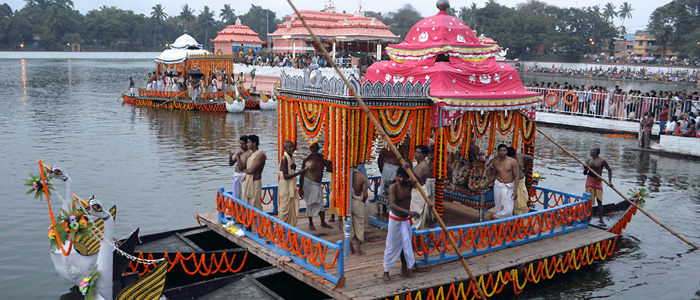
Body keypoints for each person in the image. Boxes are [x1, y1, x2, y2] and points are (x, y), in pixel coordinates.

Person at [382, 167, 419, 284]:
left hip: (406, 220)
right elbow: (392, 205)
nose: (401, 179)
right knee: (391, 245)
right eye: (400, 176)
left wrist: (410, 169)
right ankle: (386, 272)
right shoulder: (394, 187)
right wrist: (409, 213)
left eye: (404, 177)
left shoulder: (409, 184)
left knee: (406, 243)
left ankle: (405, 268)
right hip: (395, 219)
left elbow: (420, 181)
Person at [480, 144, 519, 220]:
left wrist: (515, 190)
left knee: (508, 210)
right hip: (498, 185)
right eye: (501, 150)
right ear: (498, 152)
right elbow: (494, 175)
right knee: (498, 207)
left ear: (506, 151)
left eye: (504, 150)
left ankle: (494, 216)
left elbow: (517, 176)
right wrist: (485, 184)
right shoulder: (496, 162)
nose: (502, 152)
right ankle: (501, 225)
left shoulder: (512, 161)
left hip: (509, 186)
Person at [299, 142, 332, 231]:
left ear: (318, 148)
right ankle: (311, 223)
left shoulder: (322, 158)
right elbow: (302, 174)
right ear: (310, 149)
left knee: (321, 204)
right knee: (310, 204)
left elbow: (330, 169)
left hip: (317, 184)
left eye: (315, 147)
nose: (314, 149)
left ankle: (323, 222)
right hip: (309, 183)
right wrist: (300, 188)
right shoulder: (307, 160)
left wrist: (332, 160)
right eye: (312, 147)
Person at [278, 141, 305, 226]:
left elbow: (291, 167)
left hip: (290, 183)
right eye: (289, 147)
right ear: (285, 149)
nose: (291, 149)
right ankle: (282, 227)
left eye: (292, 147)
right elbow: (285, 176)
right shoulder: (284, 159)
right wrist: (299, 173)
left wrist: (294, 167)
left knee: (291, 206)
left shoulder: (291, 157)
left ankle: (290, 227)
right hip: (285, 184)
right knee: (285, 207)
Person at [584, 147, 612, 224]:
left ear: (596, 152)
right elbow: (584, 173)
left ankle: (601, 219)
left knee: (599, 200)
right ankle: (588, 216)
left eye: (592, 150)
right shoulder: (589, 160)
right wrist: (585, 168)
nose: (590, 152)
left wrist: (610, 182)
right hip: (590, 180)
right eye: (590, 150)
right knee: (588, 200)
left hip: (598, 181)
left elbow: (609, 170)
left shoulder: (602, 161)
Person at [409, 145, 433, 229]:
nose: (416, 154)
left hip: (418, 192)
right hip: (417, 191)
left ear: (424, 155)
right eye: (415, 152)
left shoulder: (422, 165)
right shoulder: (420, 164)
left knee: (415, 216)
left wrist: (411, 169)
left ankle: (414, 237)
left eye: (418, 152)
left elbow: (414, 181)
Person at [241, 135, 266, 211]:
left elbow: (251, 170)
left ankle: (259, 222)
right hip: (248, 182)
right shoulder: (251, 154)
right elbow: (243, 167)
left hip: (255, 182)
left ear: (254, 144)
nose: (247, 144)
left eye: (249, 142)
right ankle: (250, 222)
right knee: (248, 205)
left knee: (255, 205)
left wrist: (244, 171)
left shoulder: (260, 155)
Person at [507, 147, 533, 215]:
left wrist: (526, 171)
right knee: (516, 203)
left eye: (514, 156)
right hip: (513, 182)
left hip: (521, 180)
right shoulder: (506, 160)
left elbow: (531, 159)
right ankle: (516, 220)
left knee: (523, 199)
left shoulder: (520, 156)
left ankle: (523, 218)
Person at [349, 166, 368, 255]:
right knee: (359, 224)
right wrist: (362, 200)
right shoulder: (362, 177)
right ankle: (357, 249)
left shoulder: (345, 176)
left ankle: (350, 248)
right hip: (358, 202)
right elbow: (365, 195)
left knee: (348, 224)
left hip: (347, 202)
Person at [228, 135, 250, 200]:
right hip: (236, 176)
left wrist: (238, 156)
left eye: (243, 144)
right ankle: (236, 209)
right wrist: (230, 156)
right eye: (240, 143)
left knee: (242, 196)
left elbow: (241, 168)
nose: (240, 145)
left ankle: (243, 209)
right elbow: (231, 164)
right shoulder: (239, 151)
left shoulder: (249, 153)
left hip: (243, 176)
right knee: (235, 196)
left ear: (247, 144)